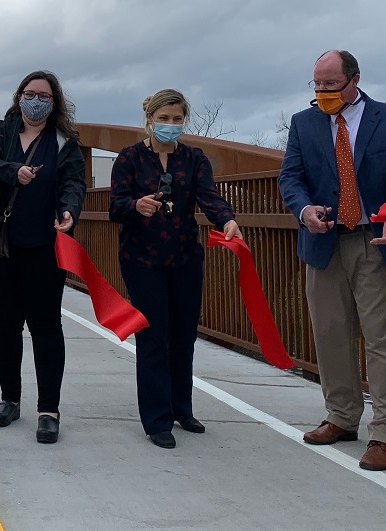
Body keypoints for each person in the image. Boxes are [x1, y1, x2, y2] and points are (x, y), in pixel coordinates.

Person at [278, 50, 386, 471]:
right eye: (317, 85)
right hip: (323, 243)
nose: (323, 93)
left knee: (382, 341)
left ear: (354, 79)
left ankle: (385, 434)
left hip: (376, 241)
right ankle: (342, 417)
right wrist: (304, 211)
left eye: (331, 84)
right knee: (329, 334)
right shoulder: (303, 123)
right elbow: (291, 176)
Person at [109, 89, 242, 449]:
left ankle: (182, 408)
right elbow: (115, 206)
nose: (170, 125)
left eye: (177, 118)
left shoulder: (194, 159)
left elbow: (208, 196)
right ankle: (156, 419)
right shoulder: (130, 158)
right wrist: (136, 205)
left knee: (184, 336)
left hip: (185, 257)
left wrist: (226, 219)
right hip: (142, 259)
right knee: (154, 337)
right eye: (163, 118)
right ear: (150, 119)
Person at [0, 70, 85, 444]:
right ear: (19, 96)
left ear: (53, 102)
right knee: (5, 324)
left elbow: (74, 181)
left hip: (44, 245)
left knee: (45, 326)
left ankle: (48, 409)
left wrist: (70, 209)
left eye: (43, 95)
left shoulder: (63, 141)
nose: (35, 100)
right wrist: (14, 171)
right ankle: (10, 399)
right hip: (1, 246)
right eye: (29, 93)